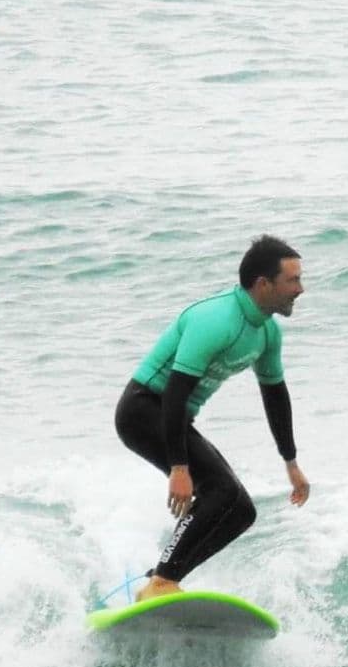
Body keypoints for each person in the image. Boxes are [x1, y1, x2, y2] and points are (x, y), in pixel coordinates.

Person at [113, 235, 311, 601]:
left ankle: (162, 577)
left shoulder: (266, 332)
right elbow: (174, 392)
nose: (301, 288)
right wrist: (179, 466)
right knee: (219, 491)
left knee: (241, 511)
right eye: (293, 280)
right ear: (263, 284)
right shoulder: (215, 319)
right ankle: (162, 580)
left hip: (172, 417)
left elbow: (275, 397)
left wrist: (291, 463)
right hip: (144, 409)